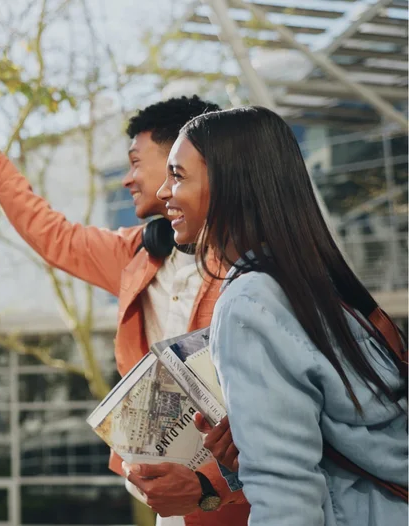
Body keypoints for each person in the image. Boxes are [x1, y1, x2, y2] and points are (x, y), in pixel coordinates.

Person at [0, 85, 249, 526]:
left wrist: (211, 486)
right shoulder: (139, 254)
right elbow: (53, 235)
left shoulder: (257, 268)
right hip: (171, 504)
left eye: (136, 162)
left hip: (244, 499)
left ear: (187, 157)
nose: (126, 178)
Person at [159, 106, 408, 525]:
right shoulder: (318, 287)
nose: (165, 191)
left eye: (178, 175)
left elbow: (285, 498)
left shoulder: (248, 304)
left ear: (230, 185)